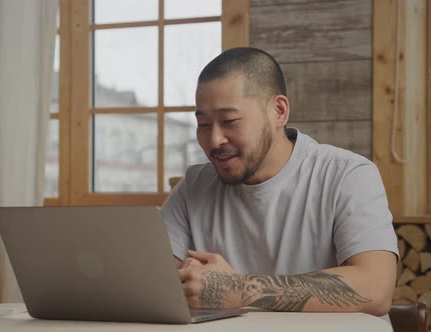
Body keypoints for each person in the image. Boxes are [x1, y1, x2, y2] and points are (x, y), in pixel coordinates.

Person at [161, 47, 398, 318]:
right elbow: (155, 280)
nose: (214, 140)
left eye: (229, 121)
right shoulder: (195, 185)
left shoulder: (349, 175)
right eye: (203, 124)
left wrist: (240, 289)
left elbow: (376, 289)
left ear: (278, 111)